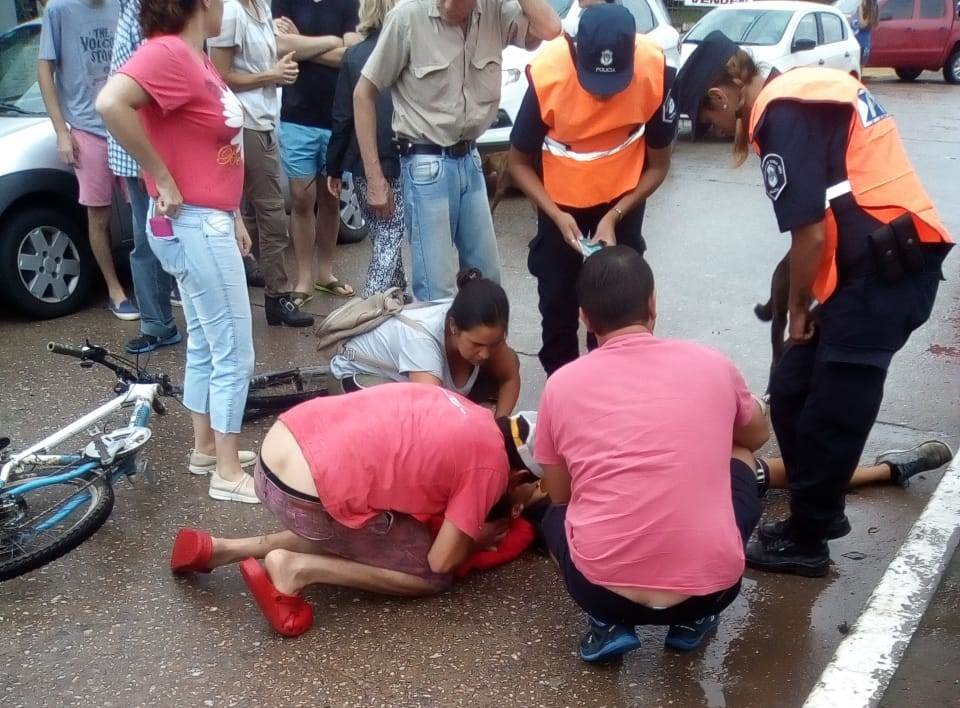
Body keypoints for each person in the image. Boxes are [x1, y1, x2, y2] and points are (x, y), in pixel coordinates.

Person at [675, 32, 953, 576]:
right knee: (792, 389)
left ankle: (808, 539)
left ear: (721, 96)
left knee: (831, 412)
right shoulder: (799, 91)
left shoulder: (780, 112)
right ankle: (818, 511)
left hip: (886, 273)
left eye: (707, 119)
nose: (712, 130)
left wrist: (800, 309)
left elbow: (810, 234)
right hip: (869, 268)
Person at [533, 246, 767, 662]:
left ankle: (606, 624)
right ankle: (694, 620)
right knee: (739, 449)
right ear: (653, 303)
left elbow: (561, 494)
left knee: (556, 515)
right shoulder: (712, 364)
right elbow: (757, 435)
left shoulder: (561, 385)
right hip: (712, 590)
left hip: (601, 589)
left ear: (584, 318)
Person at [167, 385, 540, 637]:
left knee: (352, 528)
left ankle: (223, 548)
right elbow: (442, 559)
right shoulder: (492, 467)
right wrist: (477, 539)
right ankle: (297, 569)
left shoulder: (472, 411)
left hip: (275, 455)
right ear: (521, 474)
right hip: (306, 498)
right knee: (432, 577)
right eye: (535, 487)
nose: (532, 495)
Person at [97, 0, 261, 503]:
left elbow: (204, 145)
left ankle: (206, 448)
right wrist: (162, 176)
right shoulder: (169, 52)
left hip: (203, 220)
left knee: (209, 341)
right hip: (195, 223)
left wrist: (233, 214)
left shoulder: (194, 56)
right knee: (233, 346)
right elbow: (110, 103)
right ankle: (227, 473)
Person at [354, 0, 562, 301]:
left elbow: (551, 28)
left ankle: (480, 334)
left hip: (470, 159)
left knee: (487, 283)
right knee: (436, 292)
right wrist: (374, 178)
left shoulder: (493, 10)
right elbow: (363, 94)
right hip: (425, 164)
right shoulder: (408, 17)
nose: (451, 7)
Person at [508, 4, 676, 375]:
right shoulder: (549, 73)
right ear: (576, 51)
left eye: (613, 84)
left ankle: (613, 380)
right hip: (559, 201)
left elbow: (659, 165)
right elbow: (518, 163)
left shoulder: (654, 70)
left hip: (623, 198)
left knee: (618, 302)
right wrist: (556, 215)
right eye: (594, 83)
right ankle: (563, 382)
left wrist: (615, 215)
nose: (603, 97)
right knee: (557, 299)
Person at [209, 0, 313, 327]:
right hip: (244, 121)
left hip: (264, 118)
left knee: (252, 212)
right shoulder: (231, 10)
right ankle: (277, 296)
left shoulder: (260, 7)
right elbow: (218, 75)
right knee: (271, 212)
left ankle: (246, 290)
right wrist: (273, 74)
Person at [37, 0, 138, 320]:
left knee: (146, 209)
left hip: (127, 122)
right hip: (87, 128)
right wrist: (61, 131)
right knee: (99, 214)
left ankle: (161, 280)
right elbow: (44, 70)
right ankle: (115, 290)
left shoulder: (122, 4)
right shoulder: (59, 9)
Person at [328, 269, 521, 418]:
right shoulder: (422, 341)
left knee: (509, 360)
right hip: (357, 377)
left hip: (421, 379)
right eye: (476, 344)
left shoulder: (482, 329)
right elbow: (432, 418)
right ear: (453, 326)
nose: (485, 353)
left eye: (494, 343)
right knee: (405, 419)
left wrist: (500, 430)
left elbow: (509, 379)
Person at [271, 0, 359, 302]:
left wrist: (303, 44)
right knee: (301, 198)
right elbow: (281, 47)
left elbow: (350, 55)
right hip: (297, 116)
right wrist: (332, 41)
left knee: (331, 198)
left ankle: (325, 273)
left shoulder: (349, 3)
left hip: (337, 117)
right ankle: (304, 279)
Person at [107, 0, 182, 354]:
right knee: (151, 239)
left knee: (151, 240)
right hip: (134, 155)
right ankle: (159, 321)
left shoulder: (146, 10)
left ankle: (159, 324)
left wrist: (145, 161)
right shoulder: (130, 7)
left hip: (144, 156)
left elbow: (144, 92)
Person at [326, 0, 405, 299]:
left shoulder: (354, 55)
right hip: (401, 156)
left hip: (363, 162)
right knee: (389, 236)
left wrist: (334, 167)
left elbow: (342, 117)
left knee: (384, 236)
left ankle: (398, 293)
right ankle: (370, 306)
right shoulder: (407, 49)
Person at [851, 0, 879, 67]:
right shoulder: (856, 9)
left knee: (858, 68)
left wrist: (860, 8)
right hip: (853, 44)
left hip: (862, 45)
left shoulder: (869, 10)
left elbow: (862, 24)